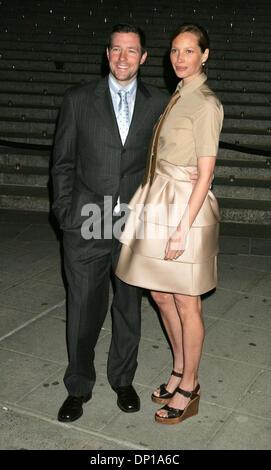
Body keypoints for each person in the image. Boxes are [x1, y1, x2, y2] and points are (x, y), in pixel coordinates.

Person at [52, 23, 198, 422]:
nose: (122, 58)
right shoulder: (79, 99)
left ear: (144, 57)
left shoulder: (160, 103)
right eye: (116, 50)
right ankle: (78, 387)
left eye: (131, 51)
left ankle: (122, 380)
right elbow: (62, 162)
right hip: (86, 219)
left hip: (135, 222)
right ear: (107, 53)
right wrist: (66, 213)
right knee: (83, 308)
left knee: (128, 307)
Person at [116, 23, 224, 425]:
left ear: (204, 55)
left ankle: (190, 386)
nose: (180, 58)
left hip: (185, 209)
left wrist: (182, 227)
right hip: (160, 196)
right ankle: (179, 367)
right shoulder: (179, 94)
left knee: (186, 300)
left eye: (189, 51)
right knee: (160, 295)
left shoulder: (207, 103)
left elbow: (206, 171)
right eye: (176, 51)